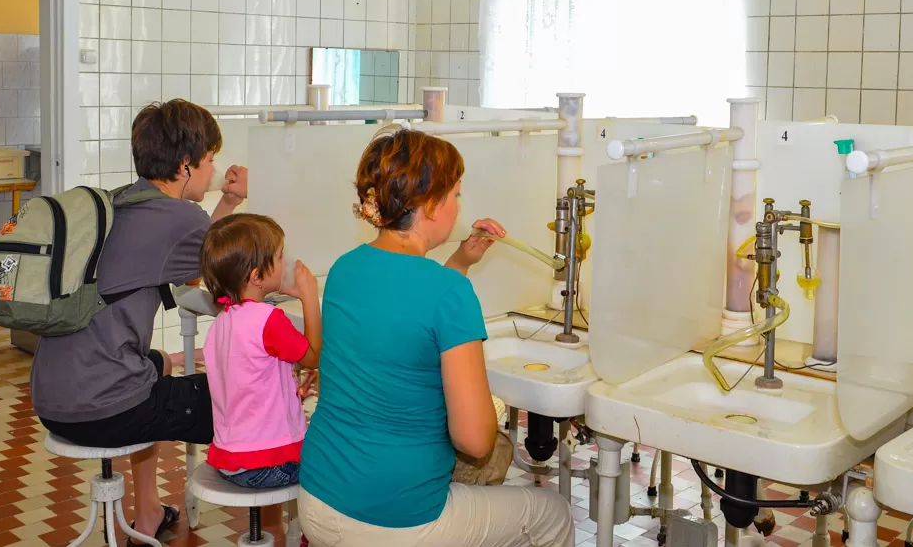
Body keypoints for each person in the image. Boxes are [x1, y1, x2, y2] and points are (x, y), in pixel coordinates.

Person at [298, 128, 573, 547]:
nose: (459, 205)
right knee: (551, 513)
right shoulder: (449, 294)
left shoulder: (344, 268)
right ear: (430, 204)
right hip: (395, 520)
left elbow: (405, 311)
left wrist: (462, 259)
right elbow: (474, 440)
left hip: (317, 498)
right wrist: (490, 408)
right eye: (456, 194)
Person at [31, 100, 247, 544]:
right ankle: (274, 517)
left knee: (158, 364)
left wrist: (225, 201)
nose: (213, 170)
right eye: (209, 160)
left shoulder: (118, 203)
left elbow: (193, 260)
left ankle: (148, 511)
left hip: (51, 399)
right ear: (185, 165)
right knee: (248, 396)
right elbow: (215, 268)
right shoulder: (181, 218)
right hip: (104, 408)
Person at [201, 213, 321, 543]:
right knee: (337, 456)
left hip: (231, 461)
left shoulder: (222, 322)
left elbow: (251, 383)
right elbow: (314, 356)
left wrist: (289, 390)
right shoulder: (269, 319)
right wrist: (309, 297)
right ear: (256, 276)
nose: (285, 263)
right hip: (267, 467)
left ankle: (276, 532)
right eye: (280, 256)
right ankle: (314, 536)